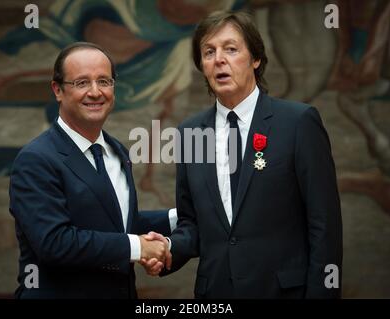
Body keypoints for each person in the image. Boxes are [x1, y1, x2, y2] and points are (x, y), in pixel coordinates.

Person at [143, 11, 343, 298]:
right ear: (202, 65)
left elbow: (325, 225)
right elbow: (193, 223)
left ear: (255, 58)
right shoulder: (190, 132)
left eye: (231, 49)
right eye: (208, 52)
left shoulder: (298, 123)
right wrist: (167, 250)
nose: (219, 59)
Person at [9, 42, 175, 299]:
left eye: (104, 81)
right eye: (82, 83)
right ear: (58, 90)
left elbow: (114, 222)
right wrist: (137, 247)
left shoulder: (116, 150)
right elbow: (54, 243)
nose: (95, 92)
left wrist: (179, 217)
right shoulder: (36, 159)